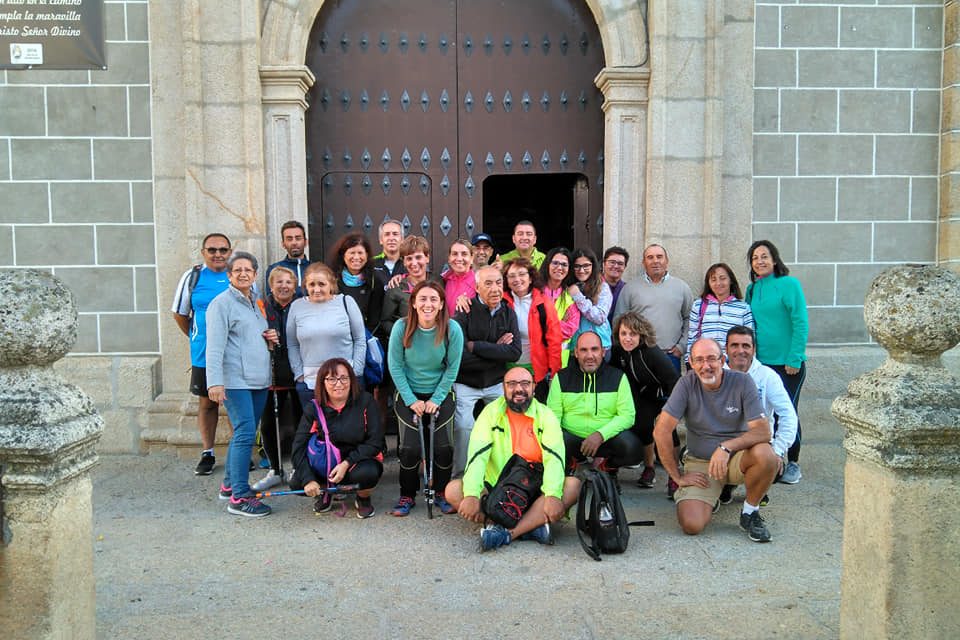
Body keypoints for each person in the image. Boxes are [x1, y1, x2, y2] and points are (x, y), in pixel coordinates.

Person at [653, 338, 780, 542]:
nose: (706, 366)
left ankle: (750, 512)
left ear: (722, 360)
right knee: (691, 525)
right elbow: (661, 430)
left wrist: (726, 447)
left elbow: (763, 432)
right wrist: (677, 476)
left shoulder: (742, 381)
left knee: (766, 454)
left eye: (712, 358)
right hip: (701, 462)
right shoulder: (686, 383)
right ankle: (715, 495)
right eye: (699, 360)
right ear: (691, 364)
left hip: (738, 457)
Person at [445, 366, 582, 552]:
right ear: (503, 388)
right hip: (498, 491)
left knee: (572, 486)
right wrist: (470, 494)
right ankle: (530, 528)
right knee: (453, 490)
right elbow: (477, 456)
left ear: (534, 387)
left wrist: (552, 494)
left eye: (525, 384)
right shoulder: (489, 413)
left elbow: (555, 458)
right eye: (512, 384)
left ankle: (505, 533)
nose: (519, 389)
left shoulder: (546, 415)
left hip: (534, 492)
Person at [205, 251, 278, 517]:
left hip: (258, 379)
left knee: (244, 432)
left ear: (255, 274)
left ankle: (229, 484)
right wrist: (214, 382)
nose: (244, 274)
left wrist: (269, 338)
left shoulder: (254, 302)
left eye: (248, 270)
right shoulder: (221, 304)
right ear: (229, 275)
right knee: (246, 432)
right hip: (235, 380)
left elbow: (250, 338)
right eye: (238, 270)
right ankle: (239, 496)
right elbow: (214, 347)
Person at [387, 280, 464, 516]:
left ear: (441, 304)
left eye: (433, 299)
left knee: (443, 446)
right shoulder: (401, 327)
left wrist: (436, 399)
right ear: (413, 302)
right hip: (409, 392)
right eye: (422, 299)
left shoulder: (452, 329)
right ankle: (407, 495)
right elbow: (395, 366)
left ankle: (441, 492)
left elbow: (452, 368)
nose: (427, 304)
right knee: (409, 448)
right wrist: (412, 400)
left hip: (439, 393)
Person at [745, 240, 808, 485]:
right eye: (754, 258)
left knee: (786, 411)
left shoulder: (789, 284)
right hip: (762, 363)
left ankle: (793, 461)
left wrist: (794, 357)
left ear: (774, 259)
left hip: (787, 362)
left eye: (764, 256)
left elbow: (800, 322)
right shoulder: (753, 289)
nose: (759, 261)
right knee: (763, 412)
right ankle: (771, 459)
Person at [290, 358, 385, 518]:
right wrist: (308, 479)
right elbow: (298, 448)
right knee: (297, 482)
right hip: (325, 464)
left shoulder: (366, 401)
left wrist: (346, 463)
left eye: (343, 378)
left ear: (351, 380)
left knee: (369, 473)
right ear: (322, 382)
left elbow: (376, 441)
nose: (338, 384)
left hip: (357, 462)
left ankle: (363, 498)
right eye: (332, 379)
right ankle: (325, 492)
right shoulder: (313, 408)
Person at [170, 232, 232, 476]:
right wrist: (197, 337)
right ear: (203, 252)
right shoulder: (193, 276)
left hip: (234, 353)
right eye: (212, 250)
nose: (218, 254)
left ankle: (239, 452)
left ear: (230, 251)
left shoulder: (237, 274)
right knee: (207, 403)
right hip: (204, 353)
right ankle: (208, 452)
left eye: (223, 250)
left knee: (237, 402)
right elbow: (179, 313)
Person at [451, 265, 522, 476]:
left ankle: (502, 474)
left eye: (498, 283)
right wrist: (497, 350)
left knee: (506, 426)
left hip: (496, 383)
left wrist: (477, 346)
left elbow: (514, 352)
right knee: (464, 427)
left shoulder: (508, 313)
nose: (495, 289)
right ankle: (461, 475)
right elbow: (461, 358)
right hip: (466, 383)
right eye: (488, 283)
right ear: (477, 287)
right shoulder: (464, 311)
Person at [546, 331, 641, 479]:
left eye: (594, 349)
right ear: (576, 353)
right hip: (573, 439)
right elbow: (553, 418)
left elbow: (627, 416)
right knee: (550, 438)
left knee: (633, 449)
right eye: (584, 350)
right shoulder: (562, 377)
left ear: (603, 352)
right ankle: (569, 463)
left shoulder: (618, 377)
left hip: (606, 439)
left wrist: (600, 435)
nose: (589, 356)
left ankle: (607, 468)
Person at [722, 325, 798, 504]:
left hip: (757, 442)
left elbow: (788, 415)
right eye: (734, 345)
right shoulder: (716, 374)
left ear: (754, 349)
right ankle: (723, 486)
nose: (740, 351)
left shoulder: (768, 376)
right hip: (724, 441)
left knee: (770, 461)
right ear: (726, 348)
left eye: (746, 346)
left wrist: (778, 451)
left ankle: (756, 492)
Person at [609, 311, 679, 489]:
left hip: (664, 395)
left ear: (641, 335)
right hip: (643, 396)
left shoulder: (652, 353)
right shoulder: (619, 352)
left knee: (667, 429)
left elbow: (673, 380)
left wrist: (672, 410)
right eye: (624, 334)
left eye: (633, 334)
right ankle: (649, 468)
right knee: (643, 425)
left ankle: (675, 475)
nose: (628, 339)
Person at [251, 266, 302, 491]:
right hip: (270, 372)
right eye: (279, 282)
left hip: (299, 371)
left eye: (288, 282)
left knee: (303, 421)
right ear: (271, 286)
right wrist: (263, 336)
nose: (284, 286)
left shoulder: (302, 305)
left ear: (295, 286)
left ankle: (300, 466)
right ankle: (275, 468)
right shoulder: (260, 307)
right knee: (269, 423)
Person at [286, 263, 366, 408]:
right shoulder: (296, 306)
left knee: (349, 427)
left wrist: (356, 372)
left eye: (321, 284)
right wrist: (299, 375)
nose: (316, 289)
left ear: (331, 284)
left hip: (345, 380)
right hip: (310, 382)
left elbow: (360, 339)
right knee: (317, 428)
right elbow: (292, 344)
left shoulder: (346, 302)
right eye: (311, 284)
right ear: (305, 286)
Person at [613, 243, 693, 373]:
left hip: (670, 355)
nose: (655, 261)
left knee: (670, 393)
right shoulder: (630, 288)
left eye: (659, 257)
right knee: (639, 393)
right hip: (638, 354)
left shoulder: (682, 287)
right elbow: (618, 320)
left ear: (666, 261)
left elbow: (690, 318)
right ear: (644, 263)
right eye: (650, 257)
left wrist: (682, 347)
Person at [502, 258, 562, 398]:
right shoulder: (500, 301)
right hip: (505, 367)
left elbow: (554, 341)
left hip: (536, 370)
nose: (517, 279)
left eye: (522, 274)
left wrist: (554, 374)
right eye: (511, 276)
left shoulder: (543, 304)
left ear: (530, 278)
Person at [686, 262, 754, 357]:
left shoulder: (743, 308)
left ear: (731, 280)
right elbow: (692, 336)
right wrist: (689, 361)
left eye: (723, 278)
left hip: (733, 362)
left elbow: (749, 338)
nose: (718, 283)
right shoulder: (698, 305)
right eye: (713, 280)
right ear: (708, 283)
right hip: (707, 362)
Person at [329, 232, 384, 332]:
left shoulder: (374, 281)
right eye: (352, 253)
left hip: (364, 336)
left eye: (360, 253)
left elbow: (375, 318)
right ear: (343, 255)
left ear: (367, 255)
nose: (356, 257)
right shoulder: (332, 280)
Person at [379, 235, 430, 342]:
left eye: (418, 257)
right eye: (409, 258)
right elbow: (385, 321)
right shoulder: (395, 288)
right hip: (408, 344)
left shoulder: (439, 281)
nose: (414, 263)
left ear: (427, 258)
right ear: (404, 262)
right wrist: (404, 335)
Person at [539, 247, 581, 359]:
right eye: (555, 263)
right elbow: (531, 324)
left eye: (564, 264)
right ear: (547, 264)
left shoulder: (570, 296)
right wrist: (559, 323)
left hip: (560, 359)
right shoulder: (536, 292)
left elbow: (571, 330)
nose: (559, 267)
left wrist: (546, 324)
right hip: (537, 356)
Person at [569, 248, 613, 350]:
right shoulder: (568, 286)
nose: (581, 270)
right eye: (577, 266)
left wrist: (578, 296)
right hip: (575, 346)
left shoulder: (602, 287)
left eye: (586, 265)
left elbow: (599, 318)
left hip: (599, 346)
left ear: (593, 265)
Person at [265, 220, 310, 297]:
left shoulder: (315, 268)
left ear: (306, 242)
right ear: (283, 244)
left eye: (298, 238)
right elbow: (271, 301)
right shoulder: (274, 269)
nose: (294, 243)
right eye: (289, 239)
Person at [442, 238, 476, 316]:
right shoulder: (443, 280)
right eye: (455, 254)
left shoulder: (479, 282)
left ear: (472, 258)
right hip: (445, 327)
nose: (459, 258)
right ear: (449, 258)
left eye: (464, 254)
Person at [372, 219, 406, 292]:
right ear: (381, 240)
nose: (391, 238)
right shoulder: (371, 263)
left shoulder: (409, 263)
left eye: (395, 234)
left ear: (402, 239)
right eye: (387, 234)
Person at [602, 246, 629, 324]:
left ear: (625, 267)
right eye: (612, 262)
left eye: (620, 263)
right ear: (604, 263)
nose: (616, 266)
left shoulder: (627, 289)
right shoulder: (592, 286)